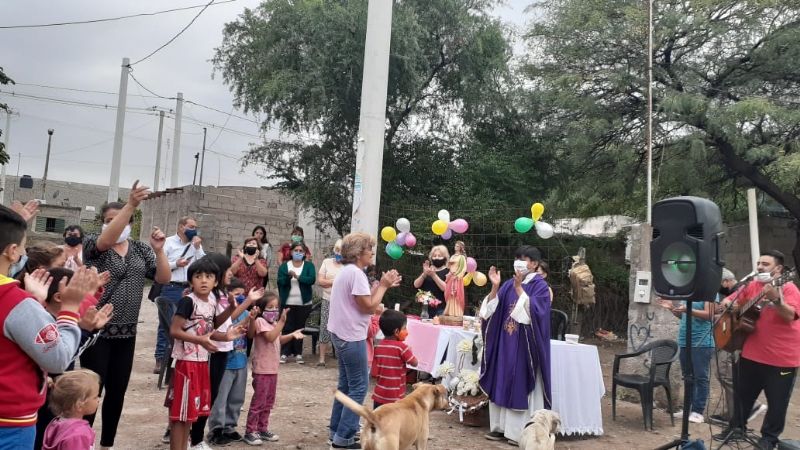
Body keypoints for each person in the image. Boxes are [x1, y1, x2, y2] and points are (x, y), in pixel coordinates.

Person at [79, 181, 171, 450]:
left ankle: (106, 444)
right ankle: (81, 441)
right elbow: (106, 240)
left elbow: (163, 278)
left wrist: (159, 251)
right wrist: (130, 204)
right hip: (96, 332)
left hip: (127, 333)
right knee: (91, 391)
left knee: (117, 393)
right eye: (108, 220)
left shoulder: (140, 250)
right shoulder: (94, 245)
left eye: (119, 219)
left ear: (130, 223)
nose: (114, 224)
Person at [0, 204, 94, 449]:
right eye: (23, 248)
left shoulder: (22, 304)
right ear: (12, 251)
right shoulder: (15, 303)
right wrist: (70, 309)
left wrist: (35, 305)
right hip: (10, 425)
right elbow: (58, 358)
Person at [715, 250, 800, 449]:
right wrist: (731, 307)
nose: (760, 267)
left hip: (781, 359)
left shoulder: (789, 288)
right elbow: (728, 301)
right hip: (751, 353)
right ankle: (737, 428)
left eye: (765, 264)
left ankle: (769, 439)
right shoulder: (752, 285)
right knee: (742, 395)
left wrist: (776, 300)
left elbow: (790, 315)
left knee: (777, 403)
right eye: (759, 263)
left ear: (779, 269)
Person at [327, 232, 401, 449]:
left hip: (340, 334)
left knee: (346, 385)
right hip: (351, 336)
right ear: (358, 253)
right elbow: (368, 307)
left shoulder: (347, 271)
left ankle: (336, 432)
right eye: (369, 249)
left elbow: (363, 301)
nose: (372, 253)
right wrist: (383, 286)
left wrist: (382, 286)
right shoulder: (356, 274)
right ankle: (344, 439)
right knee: (359, 387)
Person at [165, 258, 245, 450]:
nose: (203, 280)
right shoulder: (188, 301)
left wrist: (227, 334)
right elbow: (174, 330)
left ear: (216, 281)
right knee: (180, 416)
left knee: (190, 414)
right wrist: (200, 340)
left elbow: (210, 328)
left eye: (208, 276)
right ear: (190, 280)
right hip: (185, 363)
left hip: (201, 363)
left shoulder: (211, 301)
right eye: (198, 276)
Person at [479, 245, 552, 446]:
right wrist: (495, 287)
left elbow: (536, 314)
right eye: (517, 258)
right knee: (501, 378)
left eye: (524, 259)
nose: (518, 262)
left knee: (518, 382)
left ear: (534, 264)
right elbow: (491, 311)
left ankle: (518, 433)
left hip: (525, 346)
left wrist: (520, 288)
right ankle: (499, 428)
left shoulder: (540, 286)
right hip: (505, 342)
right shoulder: (507, 284)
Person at [243, 292, 305, 445]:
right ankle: (250, 431)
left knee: (268, 401)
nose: (274, 310)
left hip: (272, 369)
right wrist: (282, 322)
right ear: (261, 309)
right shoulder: (260, 322)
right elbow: (270, 337)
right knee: (259, 401)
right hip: (262, 369)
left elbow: (277, 339)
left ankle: (262, 428)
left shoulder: (273, 324)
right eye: (270, 307)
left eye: (276, 307)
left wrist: (292, 335)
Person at [154, 216, 206, 375]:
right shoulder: (168, 242)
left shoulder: (195, 244)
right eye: (191, 226)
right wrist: (176, 264)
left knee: (188, 323)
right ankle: (161, 358)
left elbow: (204, 263)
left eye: (195, 227)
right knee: (167, 324)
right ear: (182, 227)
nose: (194, 230)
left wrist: (198, 248)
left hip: (190, 289)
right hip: (171, 286)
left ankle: (179, 358)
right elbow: (158, 264)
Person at [657, 292, 716, 424]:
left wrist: (688, 309)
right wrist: (672, 308)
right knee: (688, 377)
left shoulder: (709, 291)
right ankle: (688, 409)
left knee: (701, 377)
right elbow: (683, 315)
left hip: (701, 342)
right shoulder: (690, 292)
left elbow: (710, 315)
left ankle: (698, 412)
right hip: (684, 341)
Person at [207, 278, 251, 446]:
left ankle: (230, 427)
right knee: (220, 398)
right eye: (237, 294)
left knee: (236, 397)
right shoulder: (224, 313)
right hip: (226, 363)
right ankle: (216, 429)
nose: (241, 297)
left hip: (241, 361)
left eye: (243, 294)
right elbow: (228, 326)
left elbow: (251, 335)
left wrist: (252, 318)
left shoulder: (246, 313)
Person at [277, 241, 316, 363]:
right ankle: (284, 352)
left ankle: (298, 353)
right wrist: (289, 276)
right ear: (291, 252)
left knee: (299, 327)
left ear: (304, 253)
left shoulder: (309, 266)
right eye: (296, 250)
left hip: (304, 303)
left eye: (301, 251)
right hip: (287, 301)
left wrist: (298, 277)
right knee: (287, 327)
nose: (298, 253)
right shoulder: (284, 266)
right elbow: (280, 281)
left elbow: (311, 279)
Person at [42, 369, 101, 450]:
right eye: (95, 397)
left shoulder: (56, 423)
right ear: (79, 405)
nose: (98, 399)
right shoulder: (78, 435)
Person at [371, 309, 418, 409]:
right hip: (395, 398)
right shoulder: (402, 348)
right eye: (404, 328)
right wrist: (410, 351)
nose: (407, 332)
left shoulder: (378, 346)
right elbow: (414, 363)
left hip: (379, 396)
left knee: (378, 418)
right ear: (396, 331)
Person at [316, 239, 343, 366]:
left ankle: (340, 356)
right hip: (327, 300)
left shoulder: (348, 266)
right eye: (337, 250)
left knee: (340, 329)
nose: (339, 253)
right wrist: (336, 281)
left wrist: (330, 282)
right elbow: (321, 281)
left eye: (342, 251)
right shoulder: (326, 262)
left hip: (342, 303)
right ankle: (322, 358)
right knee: (324, 328)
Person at [412, 246, 450, 317]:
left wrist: (434, 275)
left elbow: (445, 288)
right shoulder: (428, 270)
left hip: (441, 310)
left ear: (445, 257)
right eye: (434, 256)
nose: (436, 258)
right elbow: (416, 285)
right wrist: (424, 274)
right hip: (426, 309)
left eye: (439, 256)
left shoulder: (448, 271)